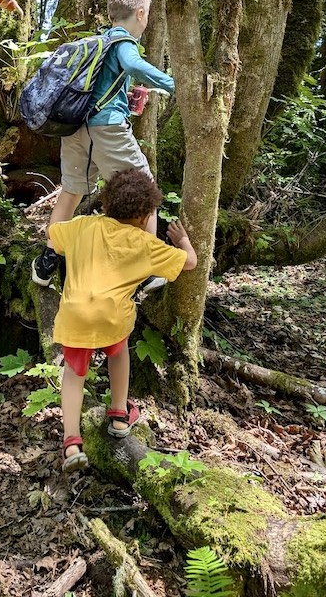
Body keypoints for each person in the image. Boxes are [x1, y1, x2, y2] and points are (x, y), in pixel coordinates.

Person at [49, 168, 197, 471]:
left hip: (75, 316)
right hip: (113, 319)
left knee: (74, 376)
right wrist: (183, 241)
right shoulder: (146, 245)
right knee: (118, 353)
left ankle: (72, 443)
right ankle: (118, 415)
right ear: (145, 216)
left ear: (106, 205)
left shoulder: (82, 227)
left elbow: (53, 233)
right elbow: (191, 263)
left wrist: (69, 192)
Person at [32, 0, 174, 289]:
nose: (146, 21)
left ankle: (45, 263)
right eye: (146, 15)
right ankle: (145, 267)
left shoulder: (100, 40)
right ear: (140, 13)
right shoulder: (124, 42)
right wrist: (177, 84)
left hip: (75, 128)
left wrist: (127, 92)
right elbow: (134, 64)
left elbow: (102, 84)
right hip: (106, 129)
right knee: (145, 189)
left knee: (71, 192)